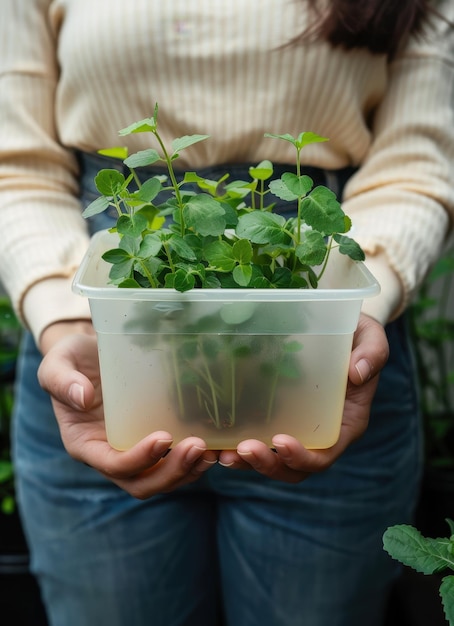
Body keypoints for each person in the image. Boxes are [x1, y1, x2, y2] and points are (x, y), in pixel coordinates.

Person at [0, 1, 453, 625]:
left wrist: (341, 316)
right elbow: (14, 165)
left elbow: (418, 160)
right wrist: (66, 318)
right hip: (107, 348)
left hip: (319, 347)